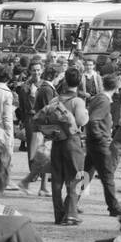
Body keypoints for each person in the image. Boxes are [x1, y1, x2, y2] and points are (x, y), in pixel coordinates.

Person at [49, 66, 90, 226]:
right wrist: (86, 114)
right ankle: (71, 214)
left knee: (57, 180)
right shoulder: (77, 101)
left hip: (56, 141)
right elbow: (81, 121)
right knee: (76, 177)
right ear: (79, 82)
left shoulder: (55, 100)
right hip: (72, 142)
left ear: (65, 80)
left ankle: (58, 215)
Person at [84, 72, 121, 218]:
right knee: (107, 176)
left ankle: (71, 202)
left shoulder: (98, 98)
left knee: (85, 174)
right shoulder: (104, 101)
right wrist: (100, 136)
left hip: (93, 142)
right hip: (100, 144)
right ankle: (114, 207)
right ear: (117, 87)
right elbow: (94, 120)